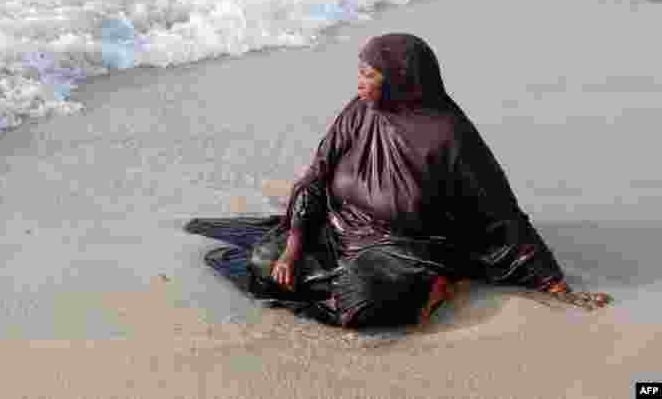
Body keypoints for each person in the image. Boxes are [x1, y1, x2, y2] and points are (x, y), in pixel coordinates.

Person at [186, 34, 611, 328]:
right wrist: (293, 248)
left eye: (370, 75)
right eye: (360, 72)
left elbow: (501, 216)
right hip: (340, 228)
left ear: (402, 79)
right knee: (265, 264)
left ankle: (437, 283)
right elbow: (315, 177)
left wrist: (553, 284)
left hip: (404, 248)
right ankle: (329, 269)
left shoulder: (450, 136)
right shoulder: (358, 110)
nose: (360, 82)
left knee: (361, 307)